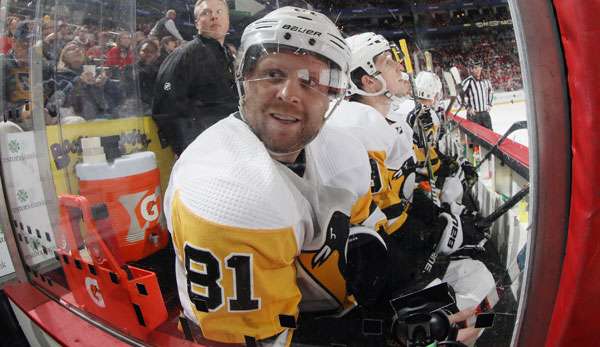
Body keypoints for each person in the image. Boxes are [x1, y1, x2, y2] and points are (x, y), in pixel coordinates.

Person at [164, 6, 388, 346]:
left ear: (332, 98)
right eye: (273, 74)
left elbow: (368, 244)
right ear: (244, 81)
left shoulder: (345, 152)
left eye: (312, 81)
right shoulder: (224, 186)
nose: (289, 93)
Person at [152, 0, 239, 155]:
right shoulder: (184, 55)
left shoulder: (228, 55)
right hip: (204, 152)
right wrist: (192, 150)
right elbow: (165, 108)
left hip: (232, 146)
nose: (214, 17)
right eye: (206, 13)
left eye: (219, 12)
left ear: (227, 20)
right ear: (197, 22)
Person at [461, 60, 494, 130]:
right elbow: (459, 95)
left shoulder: (486, 80)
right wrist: (468, 107)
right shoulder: (468, 81)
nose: (478, 70)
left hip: (485, 114)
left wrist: (489, 104)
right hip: (474, 116)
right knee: (475, 138)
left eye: (479, 67)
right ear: (472, 70)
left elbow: (490, 92)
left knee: (489, 136)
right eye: (475, 68)